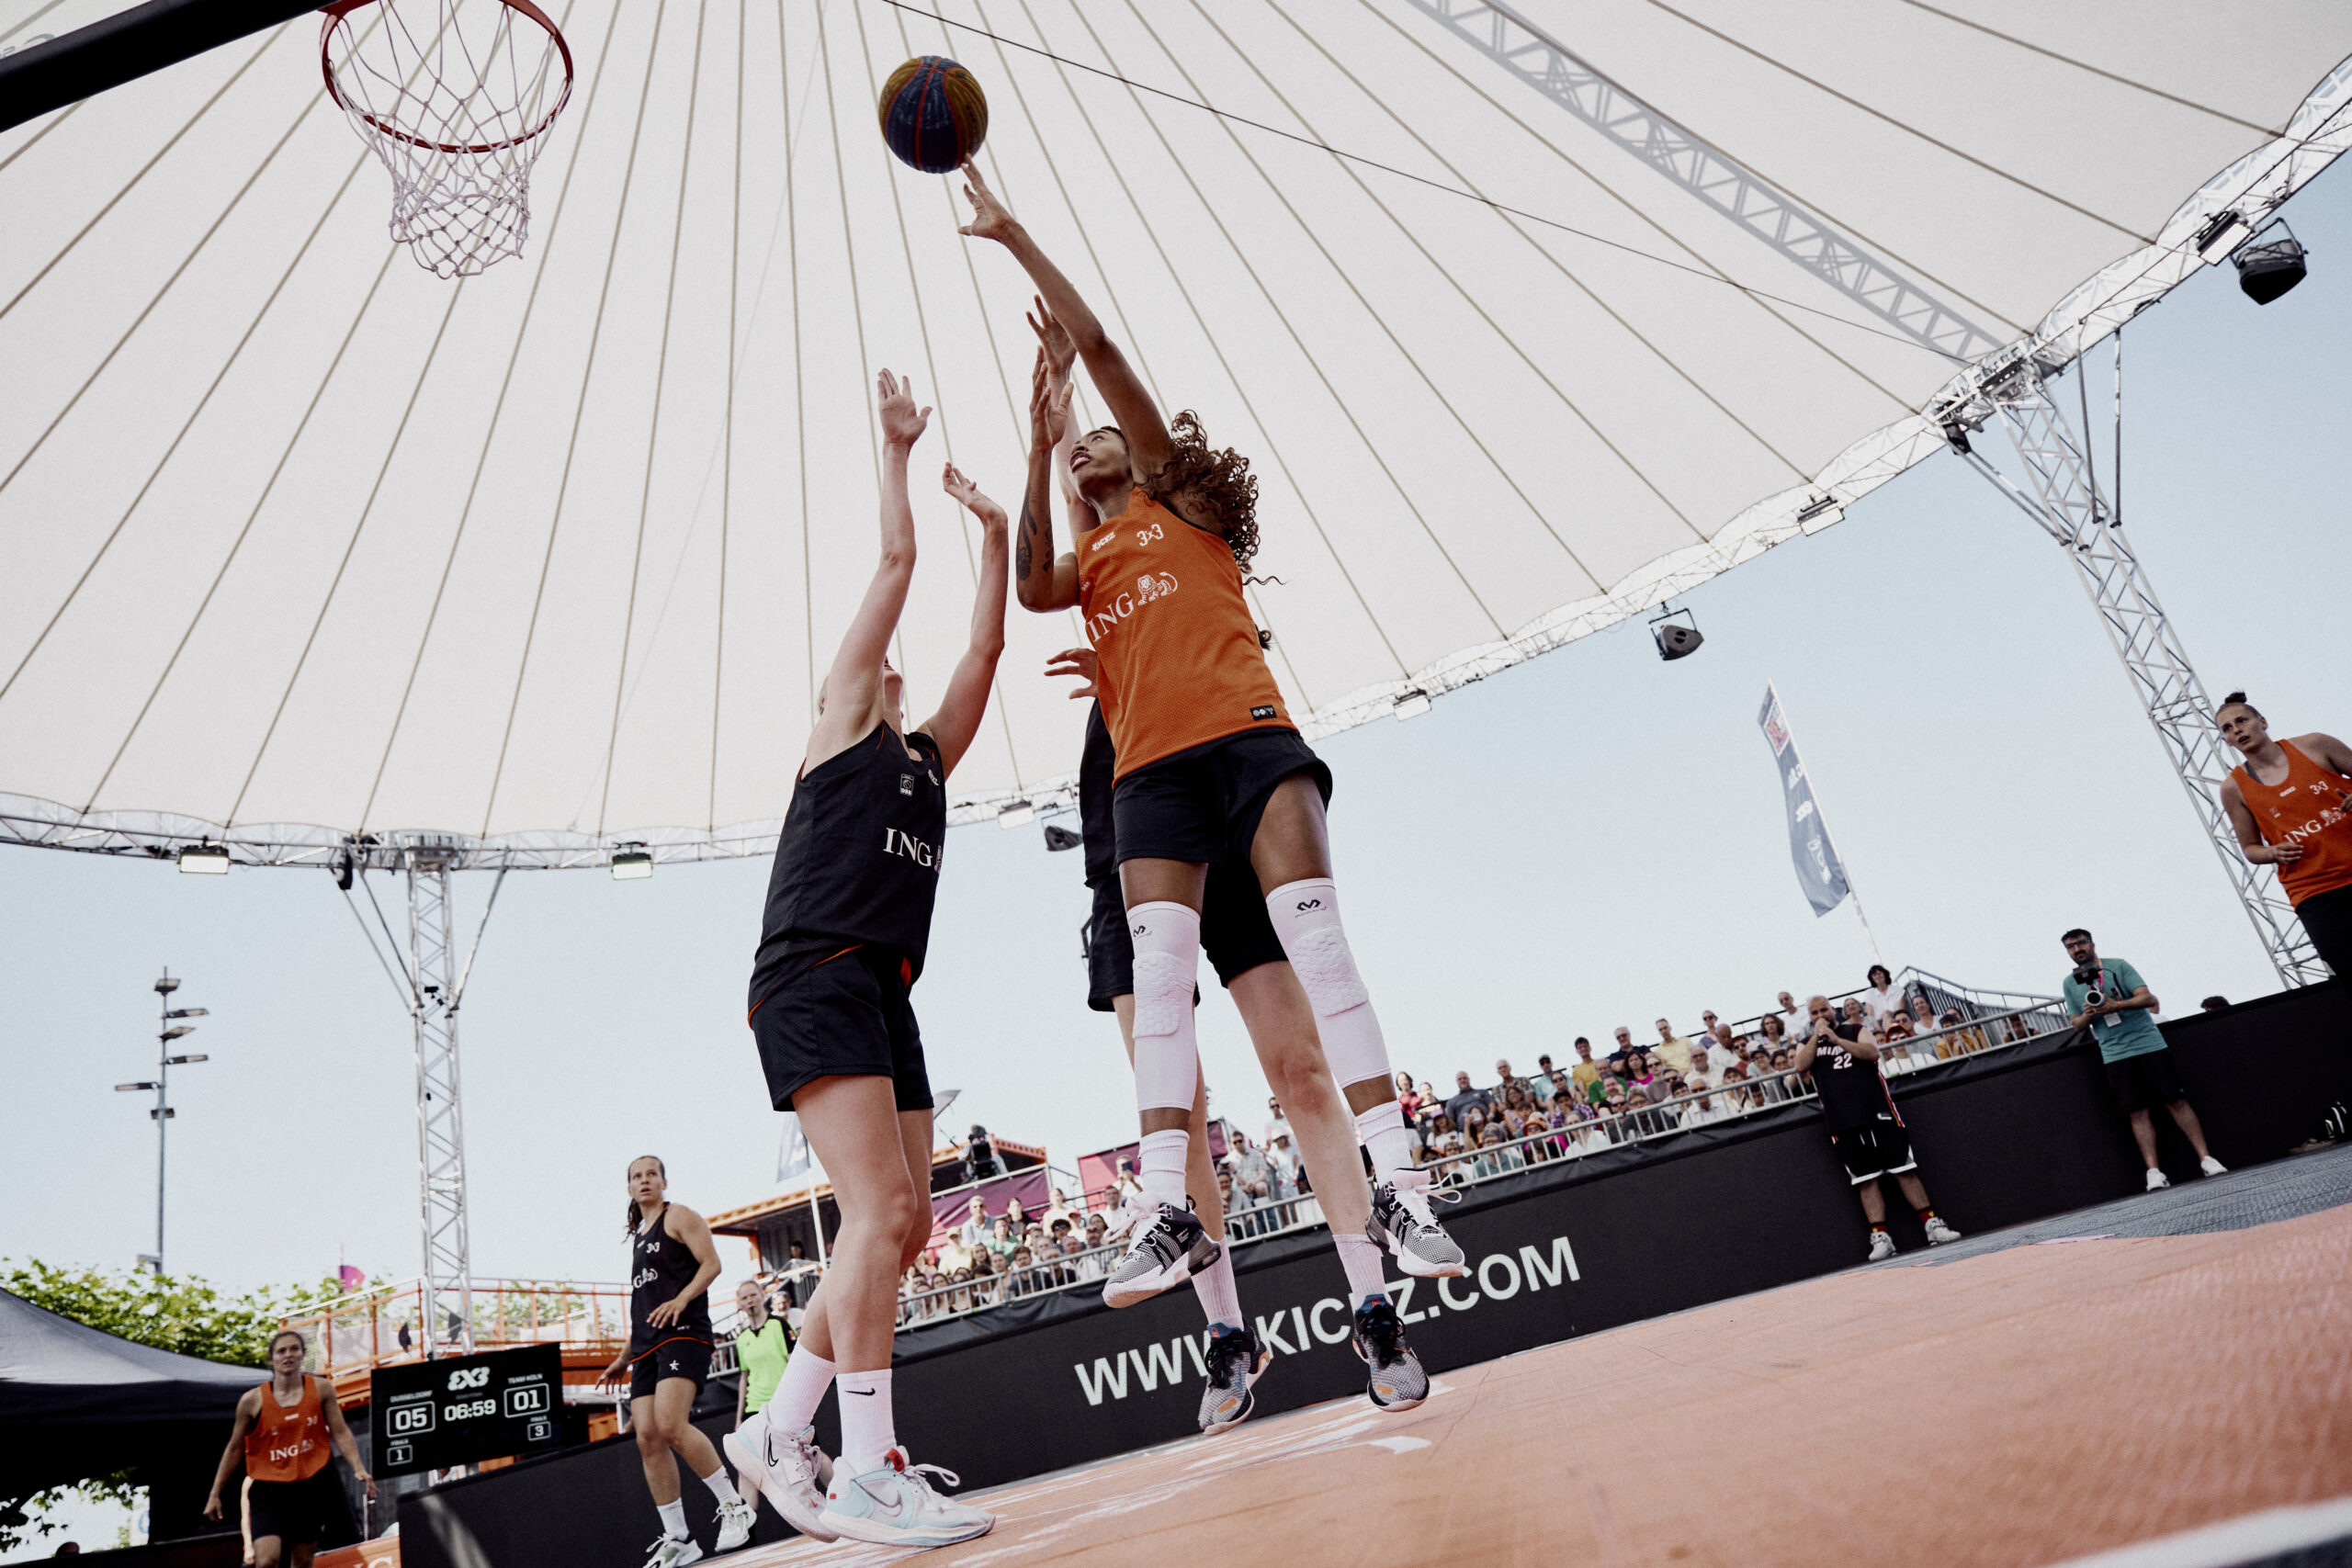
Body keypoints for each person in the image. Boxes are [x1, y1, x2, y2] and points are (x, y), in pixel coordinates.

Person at [972, 170, 1461, 1419]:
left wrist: (1018, 233)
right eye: (1077, 445)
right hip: (1154, 791)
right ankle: (1185, 1243)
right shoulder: (1088, 571)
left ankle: (1381, 1270)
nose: (1089, 443)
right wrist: (1033, 443)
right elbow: (1029, 577)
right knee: (1169, 1059)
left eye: (1095, 440)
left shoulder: (1179, 504)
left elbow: (1102, 346)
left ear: (1136, 454)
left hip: (1244, 760)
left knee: (1301, 1056)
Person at [725, 372, 1002, 1551]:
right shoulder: (839, 726)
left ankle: (776, 1429)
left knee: (907, 1228)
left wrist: (997, 535)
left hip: (882, 993)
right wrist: (893, 457)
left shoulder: (926, 761)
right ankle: (867, 1470)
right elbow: (894, 573)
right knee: (876, 1210)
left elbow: (985, 651)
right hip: (813, 975)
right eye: (887, 661)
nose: (896, 665)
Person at [1049, 626, 1430, 1428]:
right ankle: (1227, 1334)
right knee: (1176, 1110)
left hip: (1231, 852)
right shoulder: (1114, 615)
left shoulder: (1198, 603)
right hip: (1134, 872)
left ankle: (1374, 1312)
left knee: (1301, 1071)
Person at [596, 1156, 753, 1566]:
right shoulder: (637, 1238)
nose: (644, 1180)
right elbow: (646, 1305)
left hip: (684, 1333)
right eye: (635, 1176)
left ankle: (735, 1506)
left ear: (664, 1181)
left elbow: (713, 1264)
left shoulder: (679, 1216)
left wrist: (682, 1299)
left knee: (670, 1424)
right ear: (628, 1188)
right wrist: (622, 1357)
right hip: (647, 1345)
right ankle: (680, 1537)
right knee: (647, 1437)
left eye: (651, 1173)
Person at [1793, 996, 1962, 1262]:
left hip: (1878, 1113)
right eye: (1814, 1012)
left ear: (1833, 1010)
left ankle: (1933, 1224)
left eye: (1824, 1009)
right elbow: (1800, 1066)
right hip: (1844, 1123)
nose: (1820, 1015)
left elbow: (1872, 1053)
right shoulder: (1807, 1044)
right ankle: (1881, 1237)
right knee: (1866, 1180)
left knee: (1903, 1170)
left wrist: (1836, 1040)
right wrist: (1818, 1036)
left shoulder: (1854, 1030)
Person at [2059, 930, 2228, 1190]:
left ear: (2092, 944)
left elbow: (2147, 998)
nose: (2077, 950)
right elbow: (2077, 1025)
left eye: (2081, 943)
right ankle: (2154, 1172)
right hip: (2115, 1054)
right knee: (2137, 1112)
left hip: (2149, 1044)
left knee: (2176, 1101)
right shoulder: (2070, 983)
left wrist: (2116, 1006)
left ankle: (2207, 1159)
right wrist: (2089, 1012)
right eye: (2070, 947)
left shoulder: (2118, 966)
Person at [202, 1330, 373, 1568]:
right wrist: (214, 1494)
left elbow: (340, 1431)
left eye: (294, 1349)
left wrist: (358, 1467)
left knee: (303, 1561)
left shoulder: (322, 1389)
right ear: (271, 1360)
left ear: (303, 1354)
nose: (288, 1355)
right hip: (269, 1487)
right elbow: (234, 1448)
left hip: (308, 1485)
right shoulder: (252, 1401)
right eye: (281, 1351)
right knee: (267, 1560)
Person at [2217, 694, 2352, 975]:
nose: (2237, 730)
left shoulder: (2314, 744)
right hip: (2315, 892)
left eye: (2241, 720)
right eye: (2227, 729)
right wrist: (2272, 852)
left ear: (2262, 721)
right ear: (2226, 741)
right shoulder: (2233, 788)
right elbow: (2250, 849)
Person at [729, 1281, 792, 1495]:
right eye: (744, 1298)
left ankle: (843, 1510)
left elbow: (794, 1361)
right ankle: (748, 1527)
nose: (750, 1301)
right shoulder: (742, 1338)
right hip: (754, 1408)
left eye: (753, 1295)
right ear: (740, 1304)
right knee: (745, 1466)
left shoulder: (779, 1325)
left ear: (762, 1296)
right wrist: (739, 1418)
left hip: (783, 1404)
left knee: (809, 1456)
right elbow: (744, 1378)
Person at [1861, 965, 1906, 1032]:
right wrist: (1879, 1030)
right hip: (1879, 1024)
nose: (1877, 976)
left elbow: (1901, 1009)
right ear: (1872, 979)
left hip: (1898, 1019)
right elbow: (1871, 1015)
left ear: (1885, 974)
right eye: (1874, 975)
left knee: (1887, 1014)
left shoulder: (1898, 989)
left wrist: (1888, 1014)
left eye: (1879, 973)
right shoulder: (1869, 993)